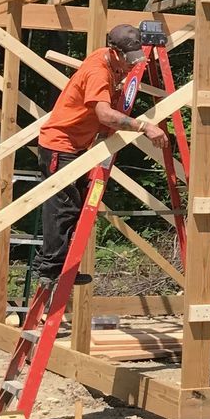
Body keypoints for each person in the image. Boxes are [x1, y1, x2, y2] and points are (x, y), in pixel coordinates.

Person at [32, 24, 166, 298]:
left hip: (77, 144)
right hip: (60, 145)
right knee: (62, 209)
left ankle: (64, 265)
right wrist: (144, 127)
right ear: (115, 52)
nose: (131, 66)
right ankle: (49, 268)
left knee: (77, 207)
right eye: (128, 59)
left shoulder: (111, 61)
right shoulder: (97, 71)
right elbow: (104, 114)